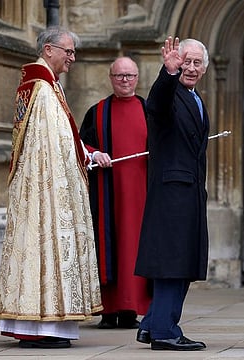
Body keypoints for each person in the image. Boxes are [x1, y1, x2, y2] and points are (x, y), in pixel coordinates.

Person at [0, 26, 110, 349]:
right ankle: (40, 328)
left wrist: (88, 154)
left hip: (41, 187)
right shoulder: (41, 90)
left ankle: (41, 326)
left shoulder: (46, 86)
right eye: (68, 51)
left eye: (73, 52)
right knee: (46, 247)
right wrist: (80, 164)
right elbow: (50, 148)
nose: (72, 58)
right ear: (48, 50)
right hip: (46, 192)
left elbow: (64, 138)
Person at [133, 35, 210, 351]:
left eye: (196, 63)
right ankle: (165, 331)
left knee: (183, 261)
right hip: (172, 194)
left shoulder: (195, 97)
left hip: (189, 193)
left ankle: (152, 325)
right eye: (185, 61)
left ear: (204, 68)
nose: (190, 68)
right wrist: (167, 73)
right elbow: (157, 104)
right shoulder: (172, 93)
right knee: (172, 262)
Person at [79, 56, 152, 330]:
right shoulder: (97, 112)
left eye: (130, 76)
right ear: (111, 78)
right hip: (107, 195)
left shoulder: (150, 110)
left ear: (137, 78)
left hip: (142, 196)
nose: (125, 81)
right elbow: (80, 145)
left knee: (135, 248)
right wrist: (95, 154)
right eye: (120, 76)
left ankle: (131, 310)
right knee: (108, 246)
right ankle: (108, 311)